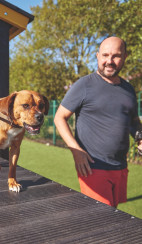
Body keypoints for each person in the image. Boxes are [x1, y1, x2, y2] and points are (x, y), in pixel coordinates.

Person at [54, 36, 142, 208]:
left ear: (125, 57)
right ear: (97, 56)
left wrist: (140, 138)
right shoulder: (84, 85)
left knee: (114, 215)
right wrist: (76, 151)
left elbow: (133, 121)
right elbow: (59, 118)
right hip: (93, 167)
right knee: (102, 219)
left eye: (116, 56)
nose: (109, 61)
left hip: (120, 166)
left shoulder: (128, 89)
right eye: (105, 55)